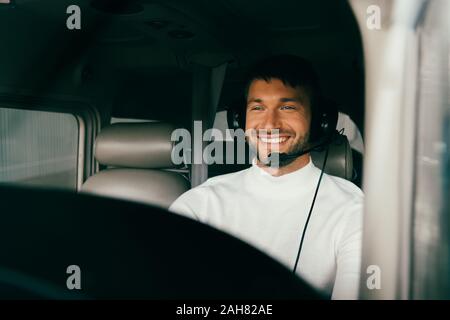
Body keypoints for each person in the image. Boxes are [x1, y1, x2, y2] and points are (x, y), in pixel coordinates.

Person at [169, 55, 364, 299]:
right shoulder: (199, 204)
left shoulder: (352, 208)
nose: (270, 123)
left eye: (288, 107)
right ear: (240, 120)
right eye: (258, 108)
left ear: (319, 122)